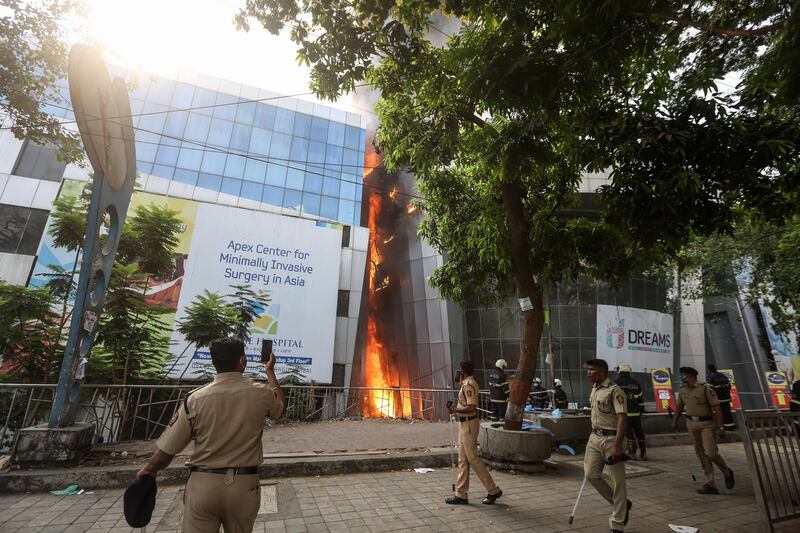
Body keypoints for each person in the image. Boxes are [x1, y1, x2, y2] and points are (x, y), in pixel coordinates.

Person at [136, 337, 285, 532]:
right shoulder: (262, 393)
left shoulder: (195, 399)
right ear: (243, 361)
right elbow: (279, 408)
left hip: (203, 485)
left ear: (213, 362)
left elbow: (167, 449)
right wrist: (270, 371)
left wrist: (149, 470)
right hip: (244, 486)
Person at [446, 360, 503, 505]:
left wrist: (455, 410)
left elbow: (472, 407)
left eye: (460, 370)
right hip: (464, 424)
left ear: (463, 371)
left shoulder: (469, 385)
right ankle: (461, 494)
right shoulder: (467, 384)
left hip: (469, 425)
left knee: (472, 459)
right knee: (463, 460)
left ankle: (493, 490)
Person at [584, 358, 631, 533]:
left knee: (617, 482)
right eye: (587, 370)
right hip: (594, 437)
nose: (588, 372)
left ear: (602, 371)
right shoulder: (595, 388)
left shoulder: (615, 391)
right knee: (591, 474)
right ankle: (622, 504)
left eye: (591, 370)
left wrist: (617, 445)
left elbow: (622, 419)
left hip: (612, 439)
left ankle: (617, 523)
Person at [671, 366, 735, 495]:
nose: (682, 378)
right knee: (701, 454)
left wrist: (721, 427)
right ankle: (710, 483)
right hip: (691, 424)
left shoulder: (705, 389)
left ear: (691, 376)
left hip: (706, 424)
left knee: (711, 453)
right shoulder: (683, 389)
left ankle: (727, 472)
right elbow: (679, 406)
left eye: (684, 375)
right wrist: (675, 420)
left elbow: (717, 408)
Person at [615, 363, 647, 461]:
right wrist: (641, 410)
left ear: (619, 371)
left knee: (629, 433)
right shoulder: (636, 383)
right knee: (639, 433)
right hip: (636, 413)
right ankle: (643, 453)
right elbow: (640, 399)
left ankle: (632, 453)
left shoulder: (616, 383)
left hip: (624, 413)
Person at [706, 364, 736, 431]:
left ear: (708, 369)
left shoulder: (710, 377)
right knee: (727, 412)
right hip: (726, 397)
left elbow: (710, 389)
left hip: (718, 399)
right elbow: (729, 386)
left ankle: (721, 427)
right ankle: (730, 426)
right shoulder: (722, 375)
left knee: (719, 413)